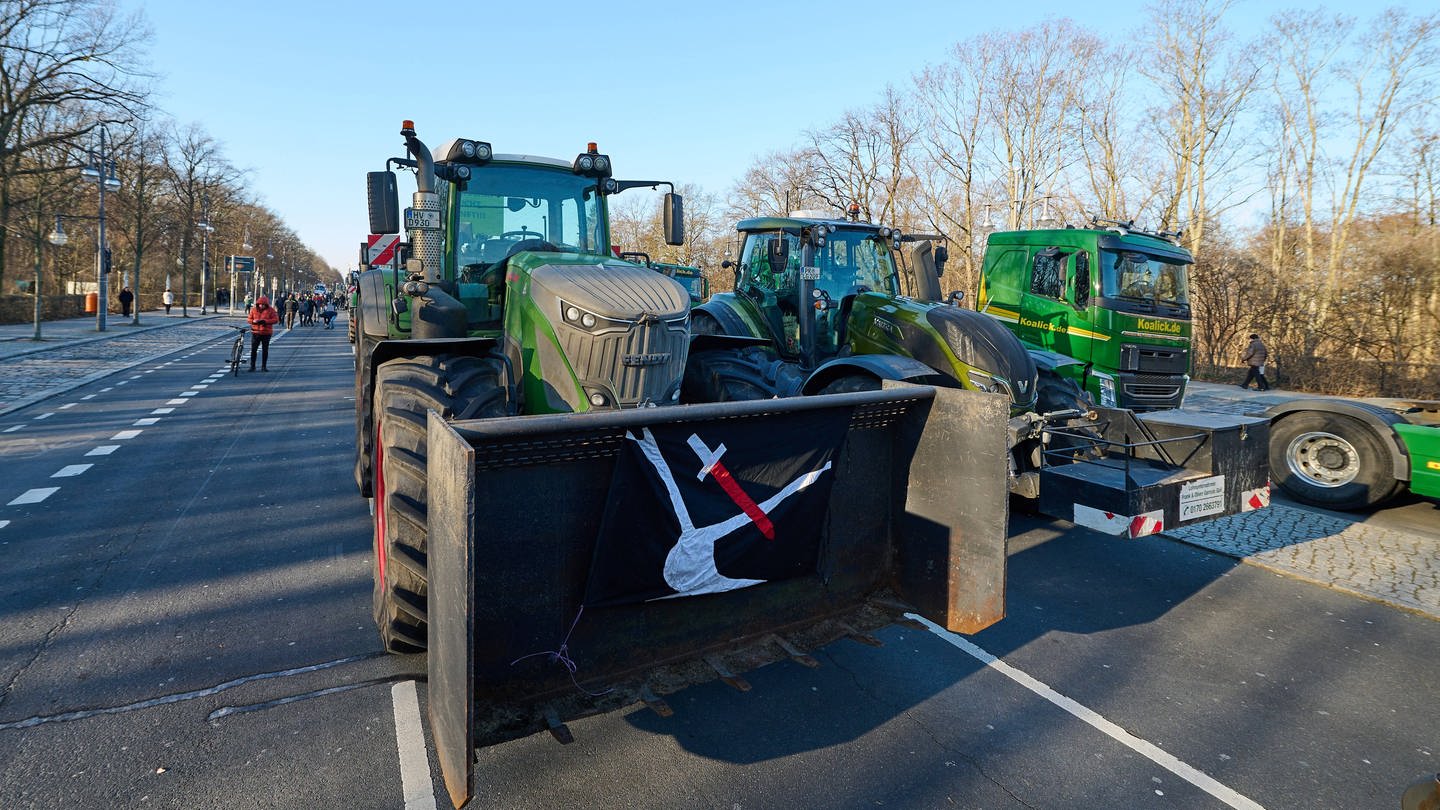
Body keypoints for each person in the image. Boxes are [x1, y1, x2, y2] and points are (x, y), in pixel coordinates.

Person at [247, 295, 280, 371]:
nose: (261, 305)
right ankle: (252, 366)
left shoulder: (271, 310)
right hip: (255, 332)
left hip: (266, 333)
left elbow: (275, 320)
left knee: (265, 350)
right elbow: (249, 319)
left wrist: (265, 321)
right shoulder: (254, 310)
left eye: (263, 304)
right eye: (260, 304)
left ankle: (264, 366)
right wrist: (253, 321)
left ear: (266, 304)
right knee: (253, 349)